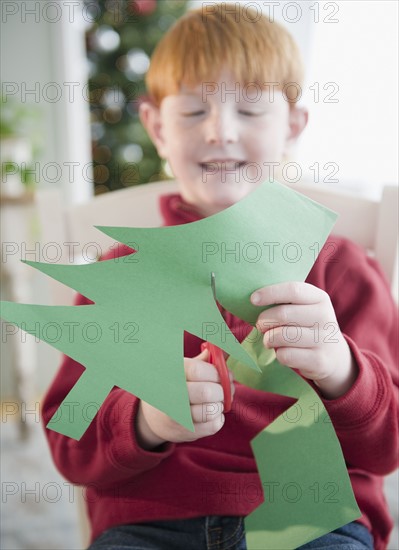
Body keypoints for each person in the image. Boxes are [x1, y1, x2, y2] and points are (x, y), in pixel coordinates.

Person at [41, 4, 398, 549]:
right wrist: (146, 421)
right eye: (192, 113)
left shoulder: (341, 269)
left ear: (293, 127)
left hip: (314, 519)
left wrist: (341, 369)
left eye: (251, 110)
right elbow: (71, 442)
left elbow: (388, 446)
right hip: (149, 523)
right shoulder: (121, 277)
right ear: (158, 129)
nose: (220, 131)